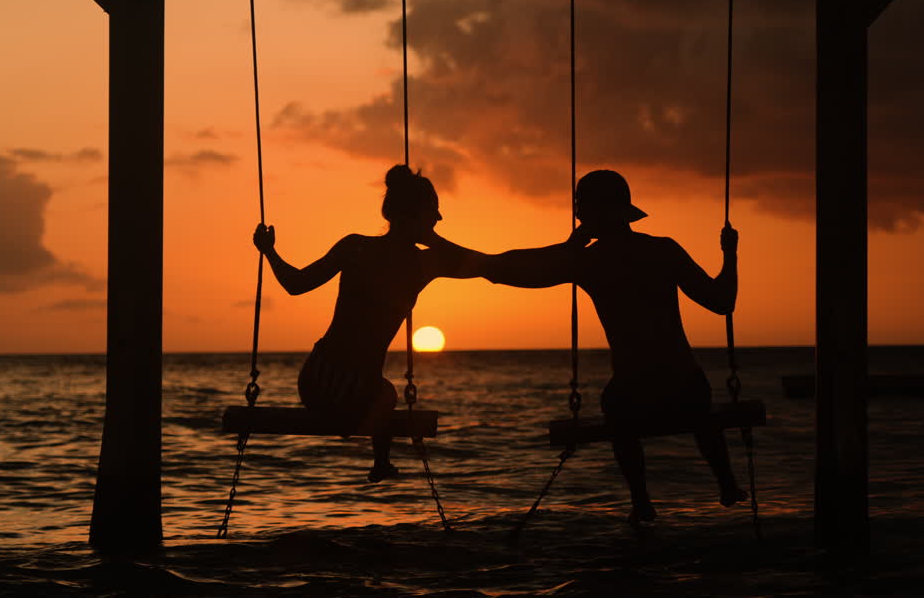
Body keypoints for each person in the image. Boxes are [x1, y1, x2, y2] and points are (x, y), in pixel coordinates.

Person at [484, 169, 746, 524]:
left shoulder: (588, 261)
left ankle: (641, 501)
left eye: (581, 209)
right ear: (626, 211)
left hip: (633, 390)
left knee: (615, 404)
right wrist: (730, 254)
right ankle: (726, 482)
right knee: (696, 402)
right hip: (685, 384)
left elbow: (518, 273)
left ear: (588, 215)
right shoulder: (662, 250)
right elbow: (721, 301)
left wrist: (493, 265)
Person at [253, 165, 484, 482]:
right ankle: (380, 463)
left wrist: (269, 251)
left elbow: (296, 284)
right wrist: (433, 239)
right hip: (360, 389)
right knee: (387, 394)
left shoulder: (355, 247)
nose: (439, 218)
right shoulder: (423, 262)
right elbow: (481, 264)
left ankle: (377, 457)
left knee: (380, 391)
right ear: (414, 216)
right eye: (434, 211)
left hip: (314, 380)